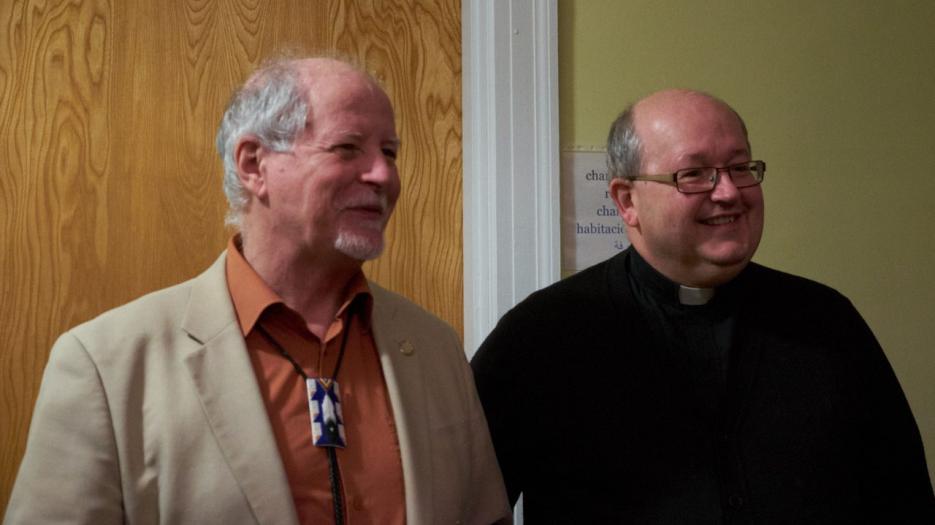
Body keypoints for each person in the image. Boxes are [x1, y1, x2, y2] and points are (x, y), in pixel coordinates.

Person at [5, 57, 510, 524]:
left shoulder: (435, 349)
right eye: (347, 148)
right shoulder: (106, 364)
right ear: (253, 165)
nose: (383, 175)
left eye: (390, 152)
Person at [471, 89, 935, 523]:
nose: (729, 192)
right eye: (693, 174)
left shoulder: (827, 321)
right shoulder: (540, 337)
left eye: (740, 167)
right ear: (626, 200)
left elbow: (903, 496)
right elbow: (466, 508)